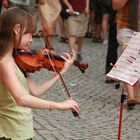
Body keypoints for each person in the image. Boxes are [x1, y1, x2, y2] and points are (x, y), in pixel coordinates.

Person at [0, 7, 79, 140]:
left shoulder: (14, 59)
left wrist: (62, 71)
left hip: (22, 130)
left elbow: (35, 90)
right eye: (29, 34)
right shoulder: (4, 63)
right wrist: (58, 105)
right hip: (10, 132)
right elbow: (21, 98)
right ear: (17, 29)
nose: (31, 39)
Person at [112, 0, 140, 108]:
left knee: (137, 64)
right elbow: (115, 6)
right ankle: (131, 96)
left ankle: (134, 95)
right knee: (129, 60)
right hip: (126, 28)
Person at [105, 0, 118, 83]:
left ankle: (110, 72)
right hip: (120, 19)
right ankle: (110, 72)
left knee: (113, 45)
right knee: (113, 45)